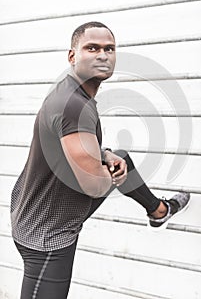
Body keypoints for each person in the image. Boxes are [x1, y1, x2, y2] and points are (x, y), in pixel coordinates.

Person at [11, 21, 190, 299]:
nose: (102, 55)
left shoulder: (71, 92)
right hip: (48, 235)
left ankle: (158, 211)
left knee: (119, 157)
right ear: (72, 56)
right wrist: (114, 176)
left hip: (35, 213)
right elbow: (94, 186)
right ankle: (158, 210)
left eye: (109, 48)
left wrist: (104, 156)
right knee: (118, 168)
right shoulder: (73, 106)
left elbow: (63, 145)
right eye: (92, 48)